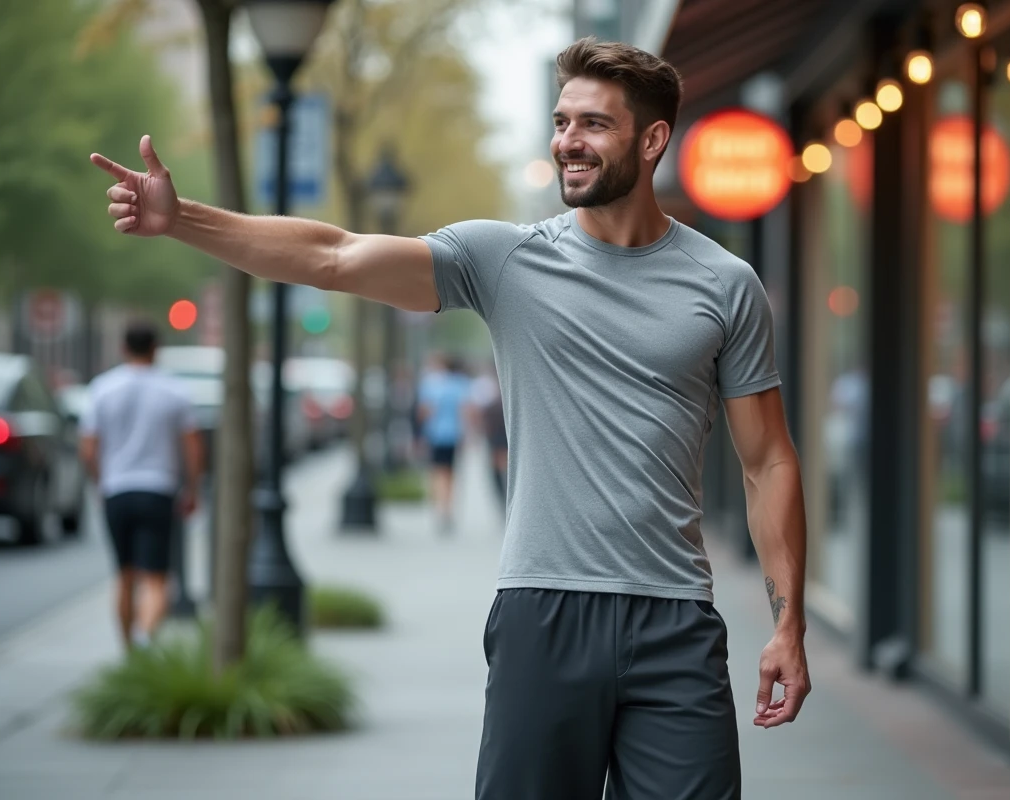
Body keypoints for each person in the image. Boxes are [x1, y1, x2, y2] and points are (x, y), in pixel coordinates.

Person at [91, 36, 809, 799]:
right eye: (562, 121)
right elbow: (334, 255)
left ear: (653, 138)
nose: (568, 140)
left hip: (677, 624)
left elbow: (768, 462)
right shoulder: (505, 261)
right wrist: (183, 218)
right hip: (544, 614)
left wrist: (789, 625)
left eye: (594, 124)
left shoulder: (725, 284)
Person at [79, 321, 202, 650]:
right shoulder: (174, 390)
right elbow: (191, 446)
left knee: (124, 575)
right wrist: (192, 488)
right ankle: (146, 635)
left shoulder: (102, 388)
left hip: (116, 489)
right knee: (157, 579)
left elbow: (89, 448)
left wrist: (99, 482)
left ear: (123, 348)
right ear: (155, 348)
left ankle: (129, 651)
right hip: (158, 489)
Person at [415, 353, 472, 532]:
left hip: (435, 435)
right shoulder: (460, 384)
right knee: (450, 474)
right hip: (454, 435)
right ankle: (447, 508)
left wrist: (420, 435)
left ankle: (439, 507)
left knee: (436, 472)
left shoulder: (430, 384)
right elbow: (466, 410)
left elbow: (424, 412)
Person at [467, 361, 508, 507]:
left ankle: (504, 495)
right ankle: (503, 496)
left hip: (500, 432)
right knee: (498, 465)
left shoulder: (486, 386)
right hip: (496, 432)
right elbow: (474, 411)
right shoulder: (484, 386)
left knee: (500, 465)